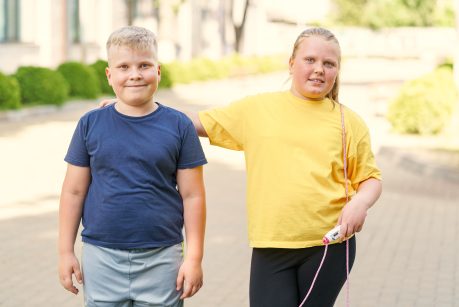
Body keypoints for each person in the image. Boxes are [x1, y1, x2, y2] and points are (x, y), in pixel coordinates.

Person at [101, 27, 382, 307]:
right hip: (270, 245)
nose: (319, 69)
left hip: (327, 246)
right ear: (291, 64)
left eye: (328, 63)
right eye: (310, 60)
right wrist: (131, 105)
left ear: (337, 70)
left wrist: (361, 203)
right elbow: (192, 122)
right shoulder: (257, 110)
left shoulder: (348, 122)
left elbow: (370, 179)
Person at [58, 25, 207, 307]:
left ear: (158, 71)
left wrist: (194, 258)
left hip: (163, 258)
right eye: (124, 66)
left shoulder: (179, 125)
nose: (135, 74)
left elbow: (193, 196)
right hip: (101, 256)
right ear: (109, 74)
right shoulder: (90, 124)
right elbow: (73, 192)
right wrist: (65, 251)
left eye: (144, 65)